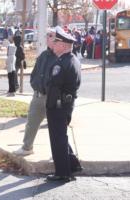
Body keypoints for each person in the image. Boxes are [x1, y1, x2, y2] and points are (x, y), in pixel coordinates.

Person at [45, 27, 82, 182]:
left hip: (58, 106)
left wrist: (49, 105)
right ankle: (73, 165)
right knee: (62, 136)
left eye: (56, 42)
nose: (53, 44)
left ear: (64, 45)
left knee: (57, 139)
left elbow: (53, 85)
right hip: (66, 104)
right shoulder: (73, 59)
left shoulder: (61, 64)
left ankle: (62, 173)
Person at [13, 28, 57, 156]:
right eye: (47, 35)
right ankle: (27, 148)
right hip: (38, 96)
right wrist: (35, 85)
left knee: (56, 128)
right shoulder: (44, 55)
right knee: (31, 123)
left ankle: (61, 152)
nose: (48, 38)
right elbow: (35, 73)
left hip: (52, 98)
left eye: (51, 35)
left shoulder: (61, 56)